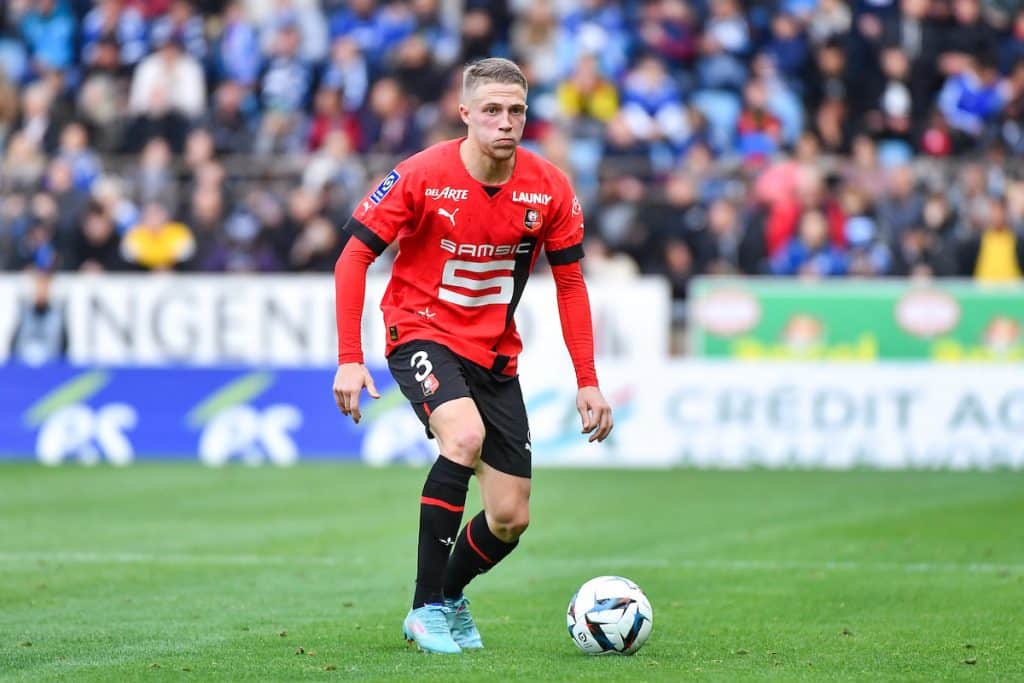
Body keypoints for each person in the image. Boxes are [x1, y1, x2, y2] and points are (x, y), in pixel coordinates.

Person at [331, 57, 613, 654]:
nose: (505, 122)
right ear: (465, 114)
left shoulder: (550, 186)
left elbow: (569, 284)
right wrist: (349, 357)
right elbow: (352, 257)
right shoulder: (419, 175)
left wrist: (587, 379)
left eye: (516, 110)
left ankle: (450, 594)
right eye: (491, 110)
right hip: (420, 331)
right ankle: (423, 609)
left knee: (510, 517)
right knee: (462, 436)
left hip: (493, 355)